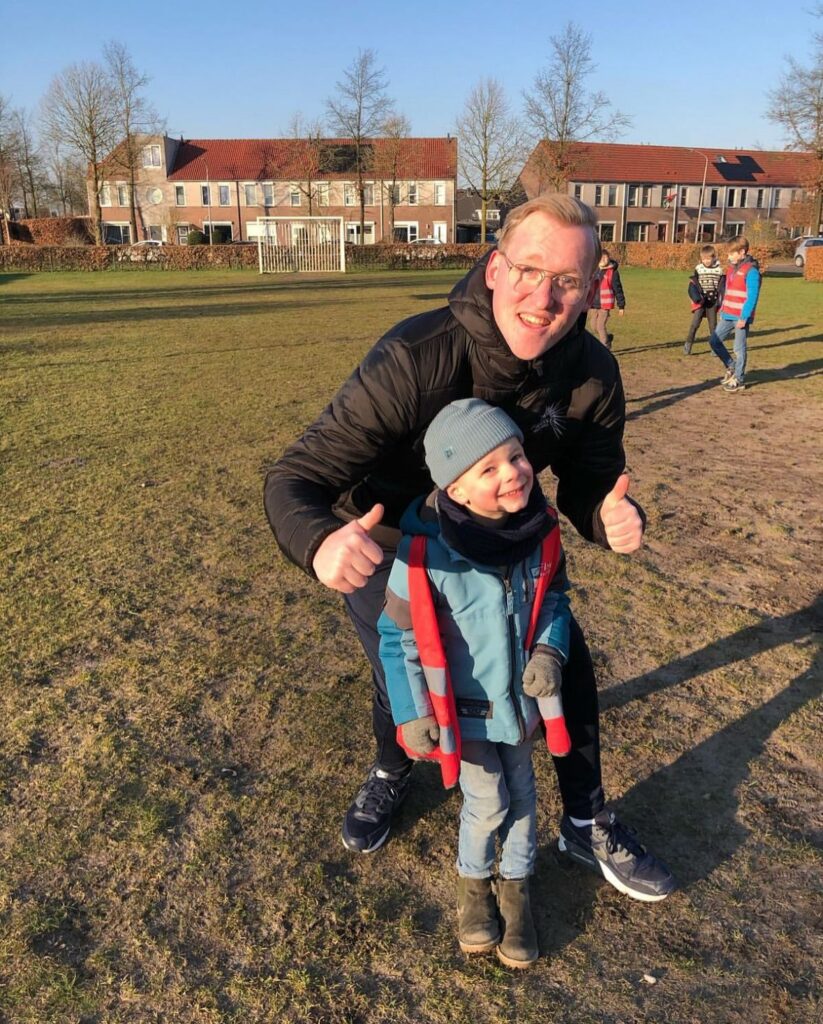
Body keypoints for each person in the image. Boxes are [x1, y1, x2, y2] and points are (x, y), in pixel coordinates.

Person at [264, 193, 676, 905]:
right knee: (406, 670)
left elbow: (589, 481)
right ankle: (391, 770)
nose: (543, 298)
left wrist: (606, 512)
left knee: (564, 660)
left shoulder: (591, 373)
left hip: (506, 543)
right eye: (528, 270)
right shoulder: (415, 356)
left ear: (590, 288)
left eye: (568, 281)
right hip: (388, 545)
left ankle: (583, 819)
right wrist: (319, 542)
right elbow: (294, 477)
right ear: (493, 269)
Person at [378, 399, 572, 968]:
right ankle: (473, 889)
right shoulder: (421, 556)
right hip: (461, 714)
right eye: (488, 469)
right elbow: (398, 640)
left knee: (525, 799)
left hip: (521, 706)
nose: (511, 473)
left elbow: (555, 599)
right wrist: (412, 714)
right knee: (487, 802)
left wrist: (549, 650)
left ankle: (516, 889)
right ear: (455, 490)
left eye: (515, 456)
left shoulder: (540, 533)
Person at [707, 235, 761, 392]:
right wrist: (722, 310)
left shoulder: (751, 272)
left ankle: (739, 378)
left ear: (742, 252)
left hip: (740, 317)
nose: (728, 257)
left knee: (739, 348)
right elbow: (728, 292)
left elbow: (752, 297)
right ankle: (731, 366)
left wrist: (744, 317)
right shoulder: (731, 269)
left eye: (732, 253)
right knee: (714, 341)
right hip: (727, 314)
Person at [684, 245, 725, 355]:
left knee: (713, 327)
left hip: (712, 302)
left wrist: (721, 300)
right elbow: (694, 284)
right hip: (701, 302)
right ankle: (688, 345)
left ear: (713, 257)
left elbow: (722, 287)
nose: (706, 261)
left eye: (708, 258)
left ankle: (715, 348)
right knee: (694, 324)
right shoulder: (698, 269)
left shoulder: (719, 270)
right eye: (704, 259)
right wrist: (695, 297)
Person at [588, 248, 625, 350]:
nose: (603, 260)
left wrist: (621, 306)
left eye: (605, 257)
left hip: (605, 304)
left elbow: (618, 289)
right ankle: (608, 338)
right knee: (593, 326)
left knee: (600, 326)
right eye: (601, 258)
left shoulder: (613, 273)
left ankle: (605, 347)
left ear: (609, 258)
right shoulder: (594, 270)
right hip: (593, 304)